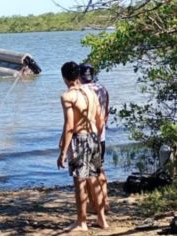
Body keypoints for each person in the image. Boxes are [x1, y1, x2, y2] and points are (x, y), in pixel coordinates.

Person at [57, 61, 109, 232]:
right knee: (93, 179)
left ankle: (82, 221)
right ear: (78, 75)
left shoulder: (68, 96)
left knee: (80, 181)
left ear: (64, 77)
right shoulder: (91, 92)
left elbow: (69, 126)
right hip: (94, 137)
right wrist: (97, 138)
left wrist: (63, 151)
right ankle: (102, 219)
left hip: (79, 139)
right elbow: (100, 119)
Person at [79, 63, 110, 212]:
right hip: (101, 135)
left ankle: (94, 206)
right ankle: (105, 201)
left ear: (79, 76)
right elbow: (106, 113)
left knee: (87, 174)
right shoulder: (102, 88)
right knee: (99, 168)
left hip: (87, 135)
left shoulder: (81, 91)